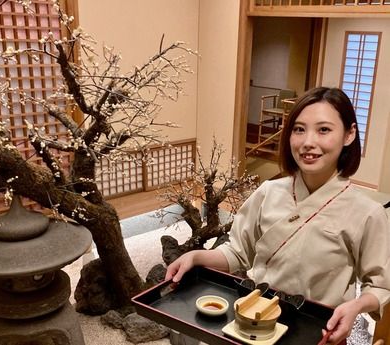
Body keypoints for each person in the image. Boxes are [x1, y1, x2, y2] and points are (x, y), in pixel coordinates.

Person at [165, 87, 390, 344]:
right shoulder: (268, 192)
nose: (308, 142)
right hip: (253, 322)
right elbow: (238, 253)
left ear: (349, 134)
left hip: (316, 332)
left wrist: (357, 306)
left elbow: (380, 286)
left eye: (324, 130)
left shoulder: (367, 213)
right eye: (299, 129)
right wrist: (195, 257)